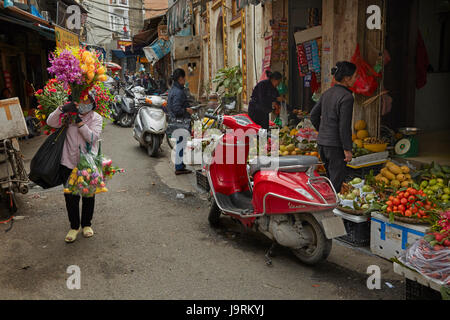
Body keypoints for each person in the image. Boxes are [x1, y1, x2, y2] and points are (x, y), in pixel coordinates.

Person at [47, 92, 103, 243]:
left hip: (87, 163)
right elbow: (50, 122)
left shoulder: (96, 118)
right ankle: (74, 226)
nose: (85, 102)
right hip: (68, 161)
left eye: (88, 100)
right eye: (81, 99)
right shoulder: (67, 116)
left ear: (92, 101)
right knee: (70, 197)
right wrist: (62, 109)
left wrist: (79, 122)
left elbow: (92, 138)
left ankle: (86, 224)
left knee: (88, 195)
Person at [310, 61, 357, 193]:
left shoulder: (327, 93)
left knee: (330, 180)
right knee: (335, 182)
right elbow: (344, 126)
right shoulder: (347, 97)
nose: (355, 79)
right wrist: (347, 149)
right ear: (347, 78)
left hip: (322, 144)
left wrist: (323, 131)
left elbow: (313, 115)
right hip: (335, 147)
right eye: (354, 76)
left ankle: (328, 205)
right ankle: (331, 210)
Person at [167, 68, 194, 175]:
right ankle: (179, 167)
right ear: (180, 78)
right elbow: (176, 109)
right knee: (180, 144)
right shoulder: (178, 92)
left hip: (176, 121)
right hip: (180, 121)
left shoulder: (173, 89)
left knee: (180, 144)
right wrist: (187, 110)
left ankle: (181, 165)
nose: (185, 80)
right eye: (184, 78)